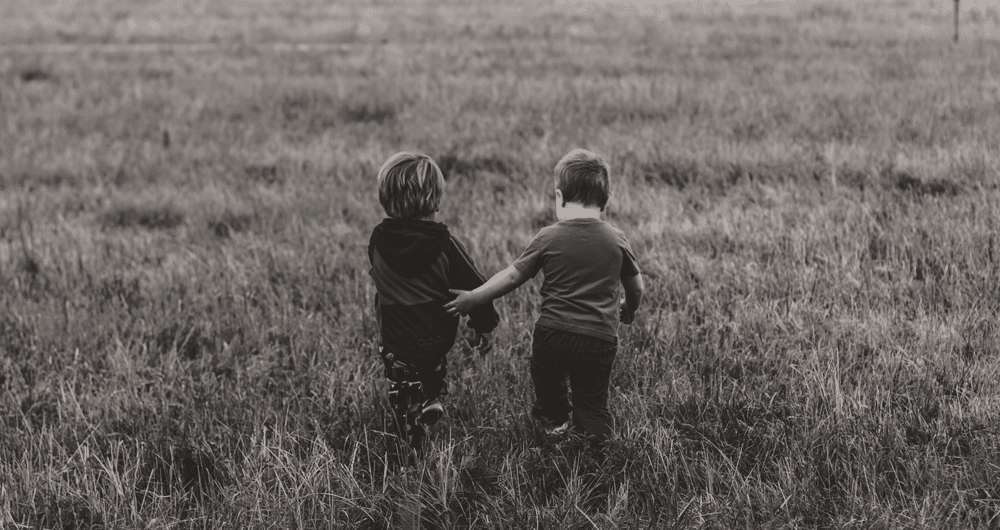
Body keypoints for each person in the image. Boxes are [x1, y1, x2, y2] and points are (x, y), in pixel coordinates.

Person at [445, 148, 644, 444]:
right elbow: (636, 285)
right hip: (599, 338)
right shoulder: (617, 239)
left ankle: (555, 424)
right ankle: (595, 435)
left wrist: (475, 297)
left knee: (549, 385)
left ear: (559, 197)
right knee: (592, 396)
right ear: (607, 201)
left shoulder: (548, 237)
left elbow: (512, 276)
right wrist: (629, 307)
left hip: (553, 334)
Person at [368, 151, 499, 450]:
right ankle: (432, 396)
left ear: (385, 199)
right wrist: (484, 324)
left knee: (402, 389)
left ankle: (410, 434)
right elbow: (476, 286)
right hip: (436, 334)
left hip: (396, 338)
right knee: (432, 365)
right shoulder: (446, 245)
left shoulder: (378, 240)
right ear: (436, 200)